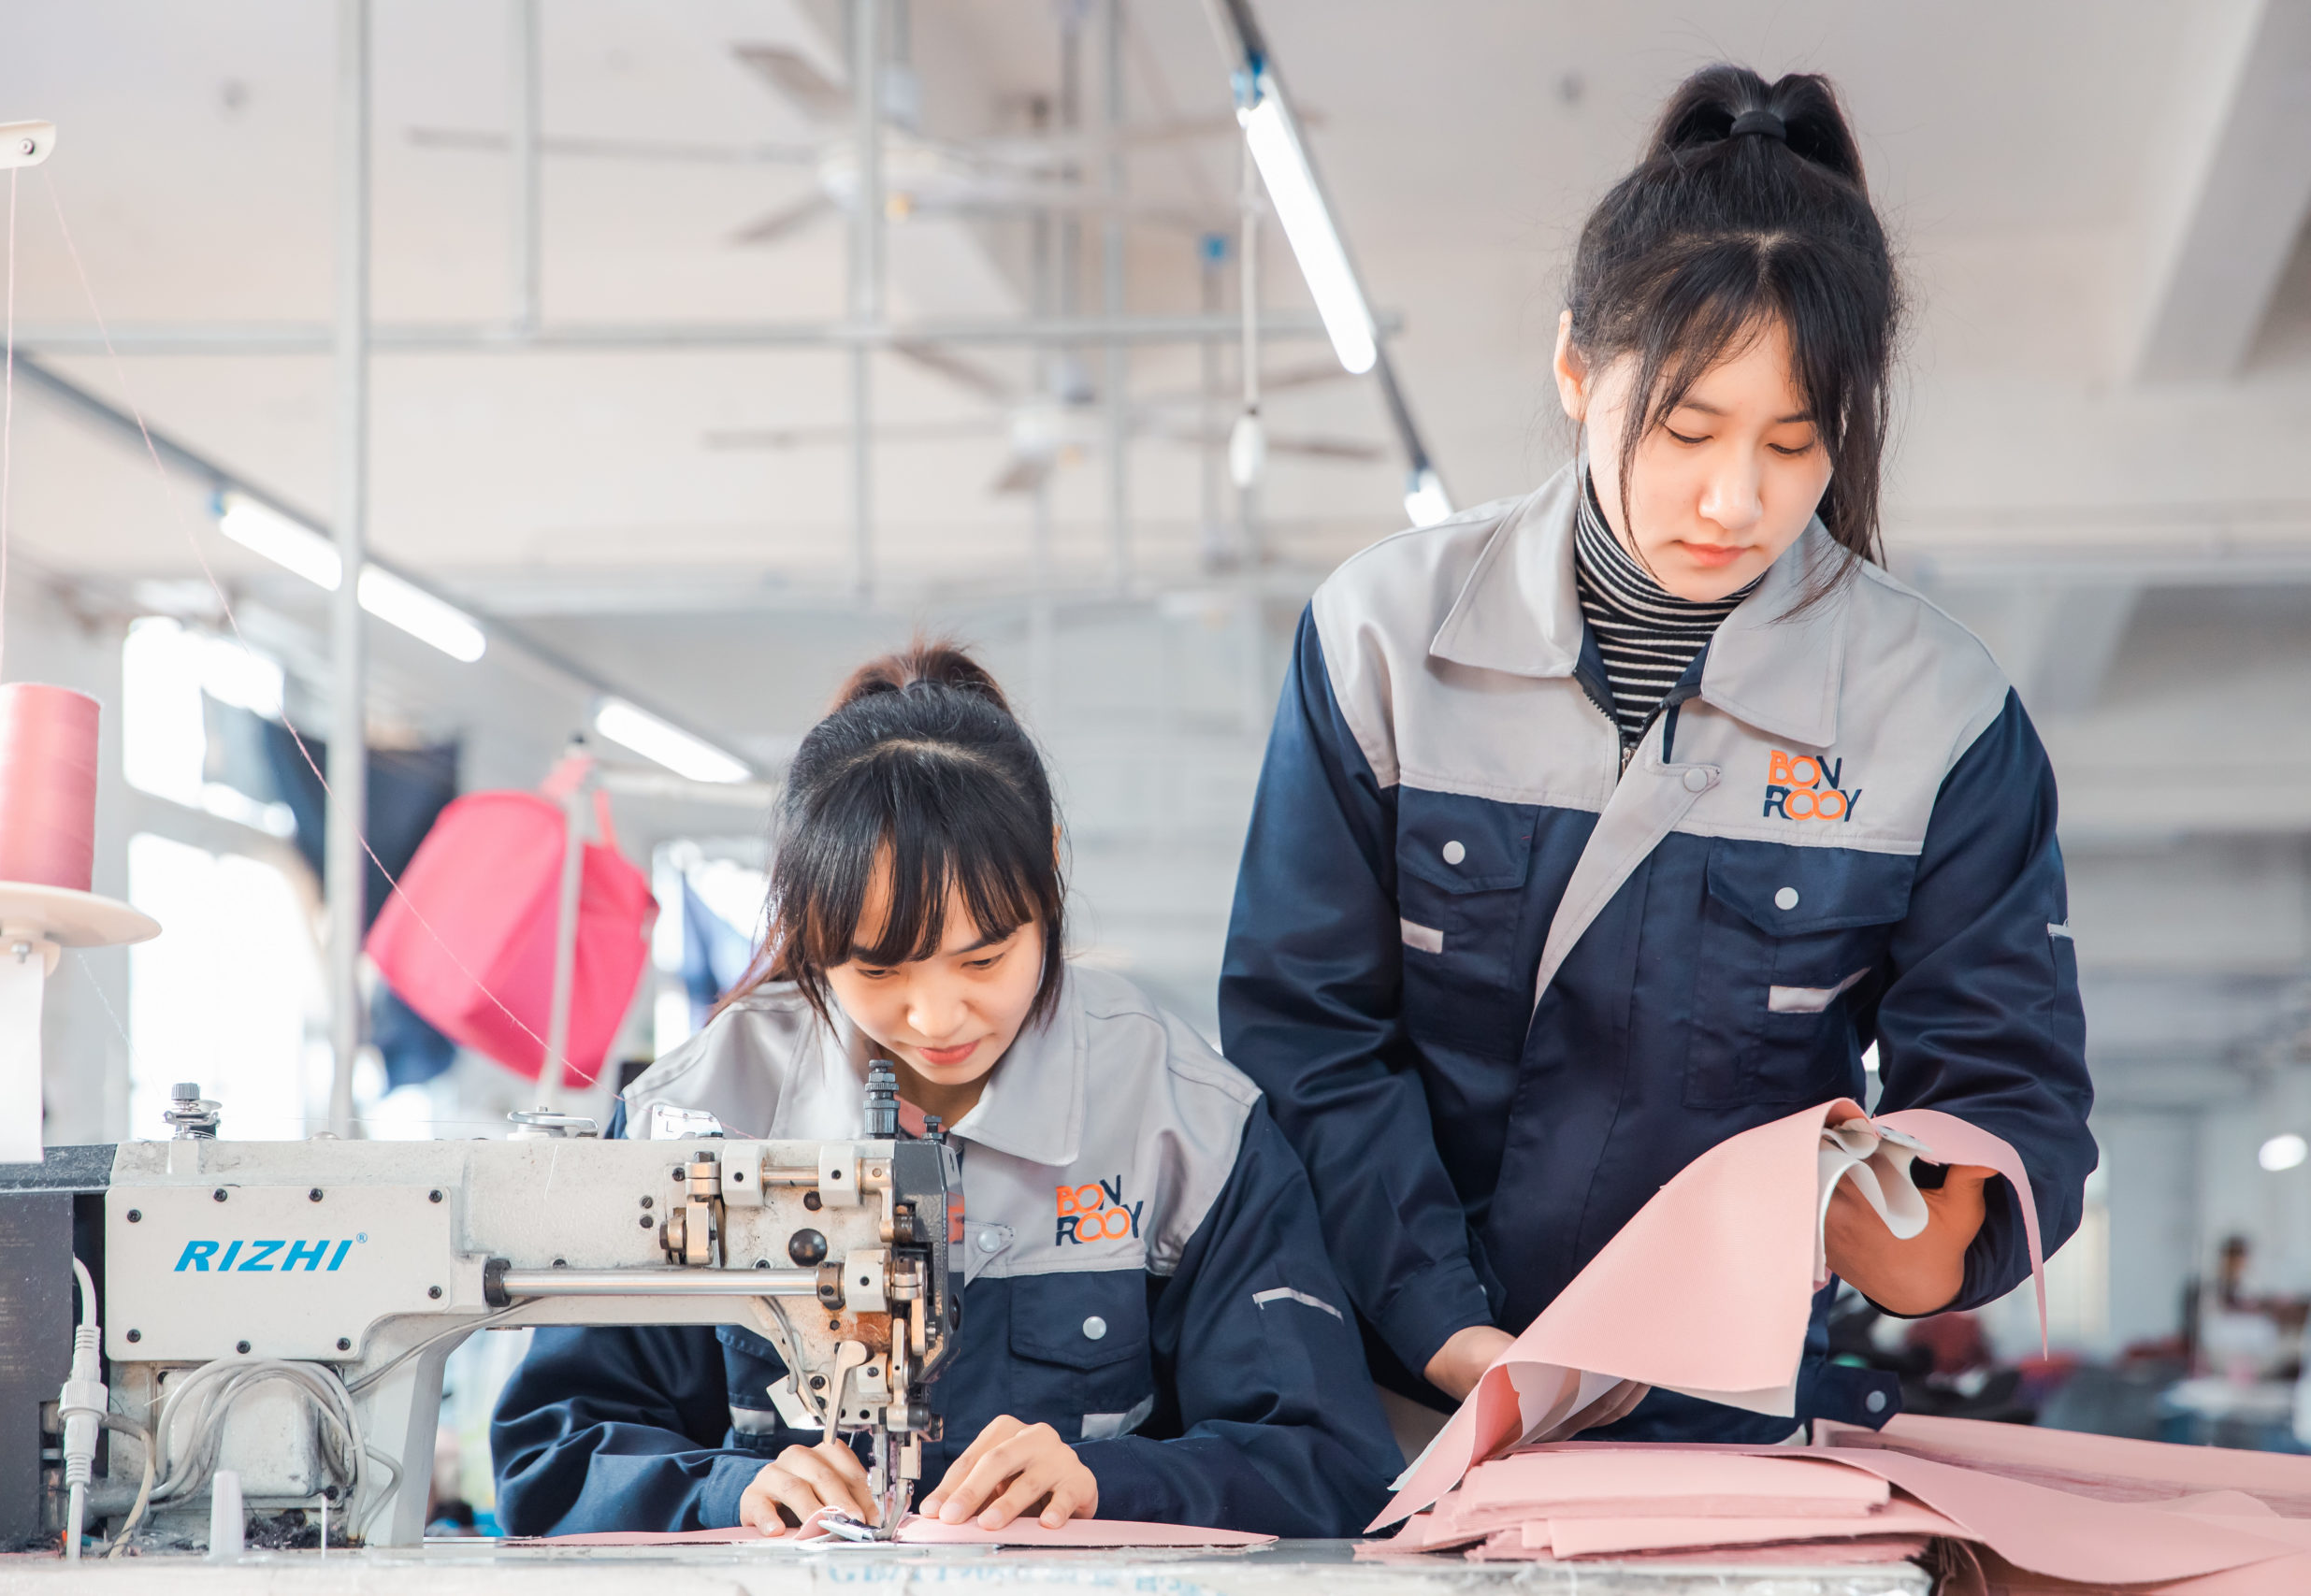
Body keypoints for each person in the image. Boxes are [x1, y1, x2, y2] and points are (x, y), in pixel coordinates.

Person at [1219, 64, 2097, 1445]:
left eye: (1796, 444)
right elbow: (1310, 1034)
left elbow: (2005, 1085)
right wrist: (1452, 1336)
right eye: (1688, 429)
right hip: (1384, 1393)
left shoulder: (1940, 718)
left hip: (1711, 1427)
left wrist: (1919, 1222)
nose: (1733, 497)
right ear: (1578, 368)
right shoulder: (1382, 639)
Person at [493, 644, 1399, 1537]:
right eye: (879, 968)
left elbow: (1325, 1463)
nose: (935, 1017)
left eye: (984, 957)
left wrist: (1108, 1479)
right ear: (810, 929)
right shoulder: (692, 1117)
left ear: (1047, 873)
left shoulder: (1180, 1120)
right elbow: (555, 1458)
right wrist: (733, 1493)